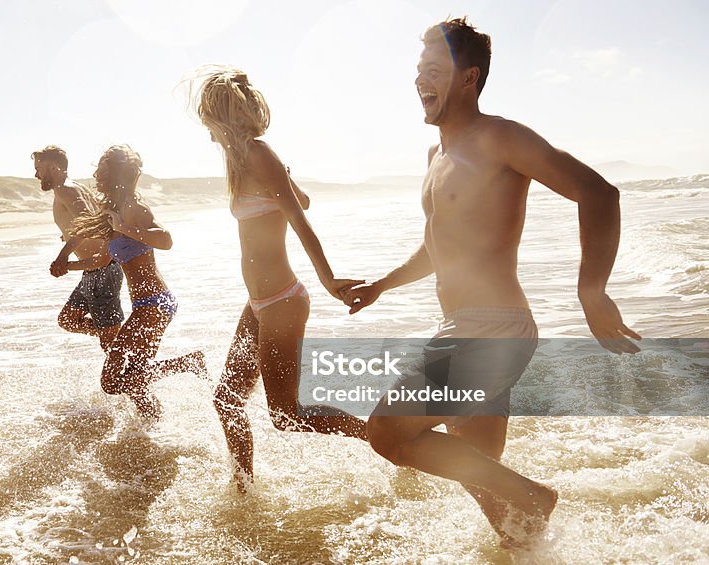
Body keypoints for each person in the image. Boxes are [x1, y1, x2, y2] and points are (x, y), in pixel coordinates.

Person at [341, 17, 641, 546]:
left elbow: (599, 194)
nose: (420, 81)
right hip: (467, 324)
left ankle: (538, 497)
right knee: (496, 504)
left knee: (387, 432)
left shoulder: (498, 137)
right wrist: (383, 285)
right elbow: (439, 245)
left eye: (434, 70)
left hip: (491, 328)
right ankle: (532, 543)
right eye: (418, 71)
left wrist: (591, 291)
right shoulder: (437, 156)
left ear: (468, 78)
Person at [190, 67, 368, 492]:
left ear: (222, 119)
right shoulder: (245, 162)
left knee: (287, 414)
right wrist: (285, 175)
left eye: (210, 126)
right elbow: (300, 196)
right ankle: (243, 491)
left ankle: (390, 440)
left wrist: (327, 280)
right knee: (226, 399)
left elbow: (300, 218)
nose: (209, 136)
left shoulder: (256, 154)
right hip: (258, 304)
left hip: (284, 301)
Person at [53, 144, 206, 420]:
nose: (97, 175)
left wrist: (123, 228)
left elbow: (166, 240)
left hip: (155, 304)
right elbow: (101, 259)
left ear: (116, 174)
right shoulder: (112, 208)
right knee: (137, 380)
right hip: (144, 306)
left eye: (102, 170)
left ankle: (188, 363)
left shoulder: (134, 208)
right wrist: (69, 264)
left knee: (111, 381)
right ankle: (151, 428)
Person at [36, 145, 123, 351]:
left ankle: (177, 363)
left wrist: (62, 257)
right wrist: (67, 235)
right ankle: (115, 335)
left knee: (112, 350)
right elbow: (95, 220)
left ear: (54, 168)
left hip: (103, 270)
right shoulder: (74, 186)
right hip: (93, 270)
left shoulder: (65, 189)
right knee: (68, 319)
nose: (36, 174)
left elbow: (85, 221)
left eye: (39, 168)